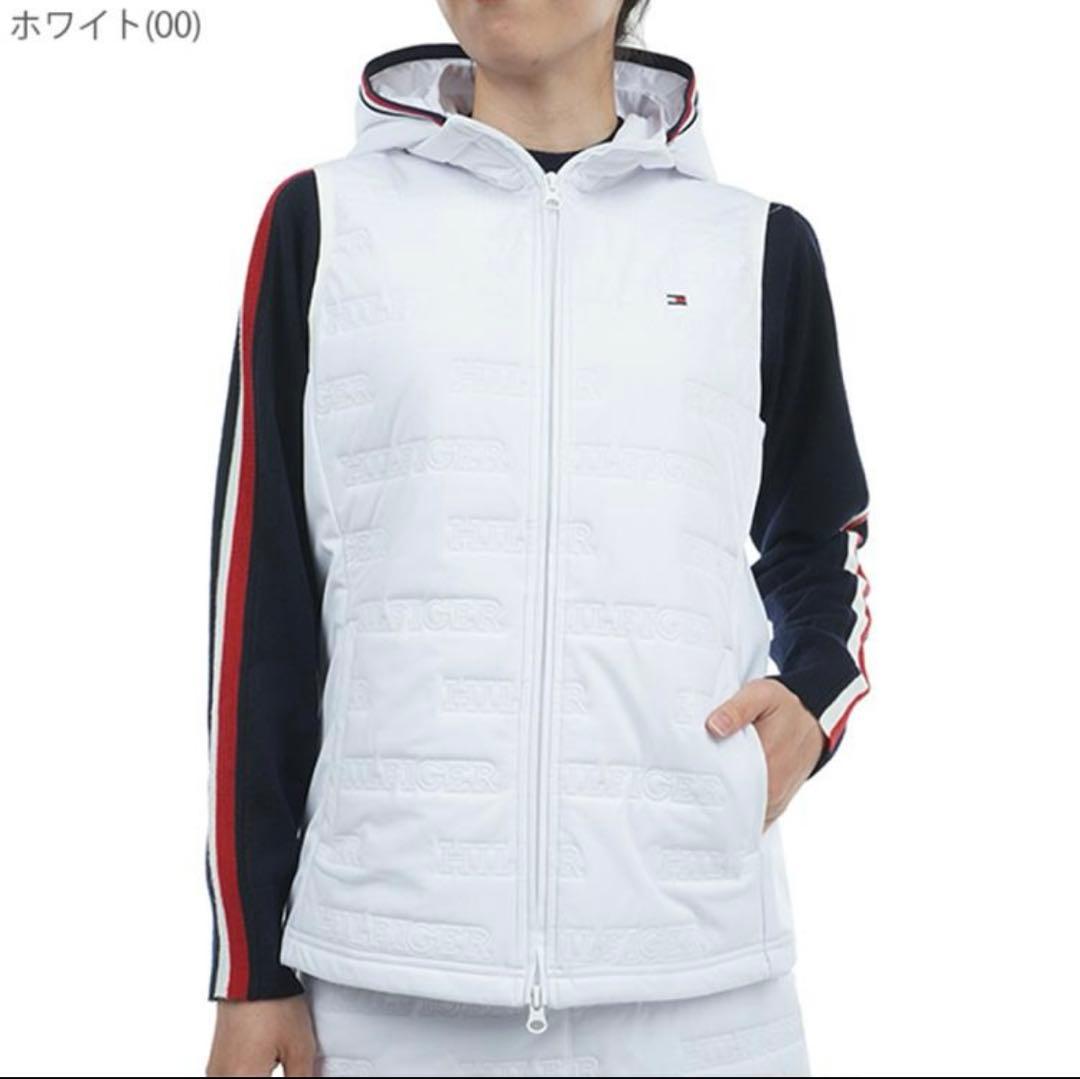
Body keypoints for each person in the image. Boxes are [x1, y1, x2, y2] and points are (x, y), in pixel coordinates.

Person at [203, 1, 872, 1075]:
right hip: (388, 982)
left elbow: (821, 534)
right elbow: (258, 601)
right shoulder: (323, 223)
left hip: (697, 980)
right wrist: (250, 970)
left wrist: (814, 694)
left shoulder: (754, 246)